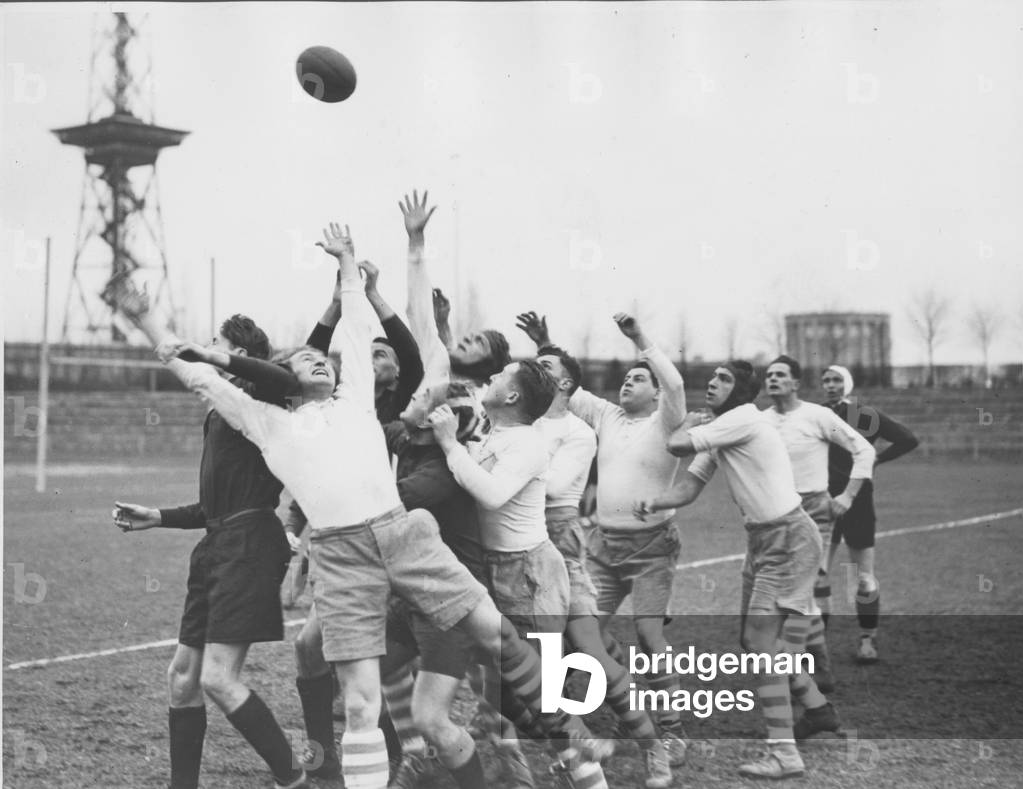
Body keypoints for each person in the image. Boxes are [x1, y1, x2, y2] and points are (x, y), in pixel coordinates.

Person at [115, 223, 608, 789]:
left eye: (321, 358)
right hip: (341, 556)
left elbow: (354, 322)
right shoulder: (266, 424)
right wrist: (149, 322)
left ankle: (567, 728)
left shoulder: (355, 397)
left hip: (403, 534)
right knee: (359, 703)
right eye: (304, 360)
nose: (317, 360)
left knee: (495, 632)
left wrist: (347, 263)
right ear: (283, 381)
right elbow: (204, 380)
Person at [112, 314, 305, 789]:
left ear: (238, 355)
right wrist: (158, 516)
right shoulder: (221, 410)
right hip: (218, 545)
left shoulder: (263, 400)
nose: (207, 346)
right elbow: (215, 506)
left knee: (218, 679)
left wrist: (174, 338)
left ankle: (293, 777)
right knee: (182, 677)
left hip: (250, 546)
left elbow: (281, 378)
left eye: (216, 342)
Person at [635, 361, 838, 779]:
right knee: (754, 643)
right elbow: (689, 487)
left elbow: (676, 444)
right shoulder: (725, 428)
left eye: (724, 379)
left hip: (789, 539)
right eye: (713, 376)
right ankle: (817, 708)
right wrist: (656, 502)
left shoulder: (743, 418)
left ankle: (785, 754)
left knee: (761, 645)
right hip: (763, 540)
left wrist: (685, 423)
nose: (712, 382)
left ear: (742, 391)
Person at [515, 310, 689, 761]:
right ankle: (589, 709)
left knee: (649, 635)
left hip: (652, 548)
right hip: (603, 547)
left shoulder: (666, 421)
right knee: (582, 633)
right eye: (626, 378)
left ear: (656, 393)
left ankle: (672, 730)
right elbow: (562, 386)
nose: (628, 383)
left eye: (639, 379)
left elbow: (675, 384)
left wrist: (640, 337)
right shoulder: (607, 415)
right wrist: (545, 343)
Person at [429, 358, 610, 789]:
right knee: (502, 693)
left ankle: (578, 745)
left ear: (511, 396)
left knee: (533, 690)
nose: (489, 379)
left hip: (528, 574)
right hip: (497, 570)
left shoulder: (529, 443)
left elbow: (491, 495)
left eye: (498, 377)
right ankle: (564, 743)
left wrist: (451, 445)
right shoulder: (495, 433)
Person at [763, 355, 876, 692]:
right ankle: (819, 666)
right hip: (772, 514)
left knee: (803, 588)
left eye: (780, 374)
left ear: (796, 383)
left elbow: (865, 450)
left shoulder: (818, 415)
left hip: (813, 510)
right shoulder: (760, 421)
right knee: (784, 591)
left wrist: (848, 496)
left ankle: (797, 668)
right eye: (769, 375)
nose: (773, 379)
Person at [821, 364, 919, 663]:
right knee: (818, 574)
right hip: (822, 501)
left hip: (858, 500)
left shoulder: (865, 415)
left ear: (848, 384)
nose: (830, 385)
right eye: (826, 380)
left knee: (863, 577)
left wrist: (876, 459)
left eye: (836, 380)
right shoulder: (816, 413)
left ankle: (867, 639)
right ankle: (815, 645)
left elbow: (907, 438)